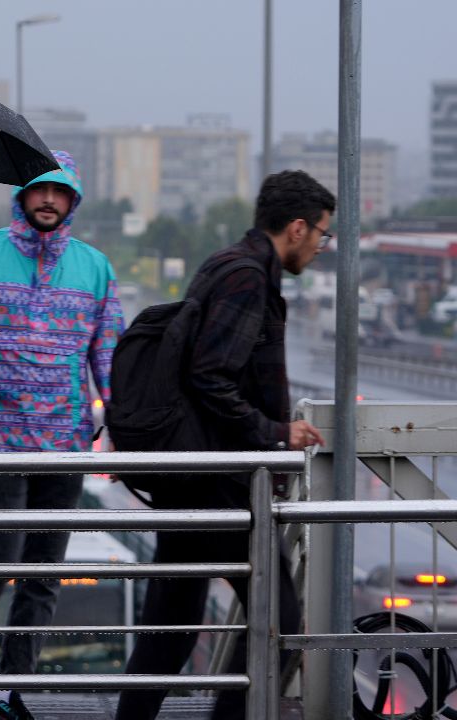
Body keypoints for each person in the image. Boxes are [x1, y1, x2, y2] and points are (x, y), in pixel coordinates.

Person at [115, 170, 333, 720]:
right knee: (276, 614)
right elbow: (211, 375)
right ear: (298, 227)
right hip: (217, 482)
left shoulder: (228, 262)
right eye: (321, 235)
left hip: (198, 475)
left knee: (172, 628)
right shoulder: (246, 278)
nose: (320, 247)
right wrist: (276, 433)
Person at [0, 151, 123, 719]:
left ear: (73, 200)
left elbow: (109, 353)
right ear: (21, 196)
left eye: (60, 192)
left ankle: (8, 689)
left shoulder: (95, 267)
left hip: (66, 442)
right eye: (39, 190)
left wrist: (117, 422)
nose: (48, 200)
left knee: (42, 575)